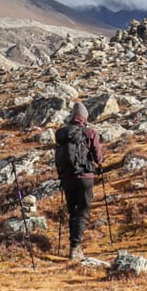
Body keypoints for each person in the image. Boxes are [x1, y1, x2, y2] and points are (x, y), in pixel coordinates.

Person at [58, 102, 104, 261]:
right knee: (83, 211)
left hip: (66, 178)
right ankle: (75, 247)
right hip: (85, 177)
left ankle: (73, 244)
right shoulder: (90, 133)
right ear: (85, 117)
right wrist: (99, 162)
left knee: (72, 210)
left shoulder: (62, 133)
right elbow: (98, 157)